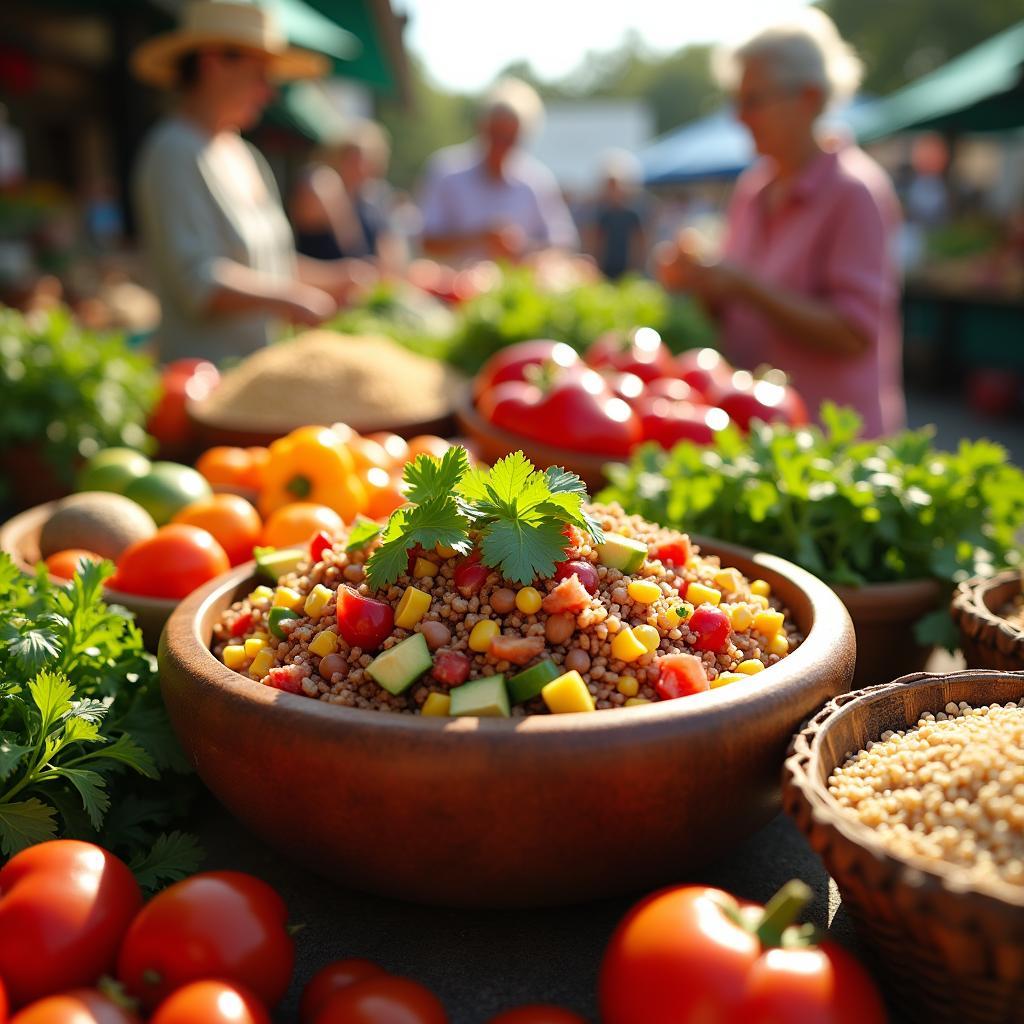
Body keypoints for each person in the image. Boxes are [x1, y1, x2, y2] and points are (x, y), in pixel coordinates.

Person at [656, 10, 904, 437]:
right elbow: (732, 308)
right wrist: (702, 279)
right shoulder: (754, 187)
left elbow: (853, 333)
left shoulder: (855, 192)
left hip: (833, 446)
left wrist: (744, 285)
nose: (740, 117)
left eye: (753, 100)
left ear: (808, 98)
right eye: (737, 101)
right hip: (762, 430)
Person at [131, 1, 361, 363]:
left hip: (255, 375)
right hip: (205, 382)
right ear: (213, 64)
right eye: (260, 76)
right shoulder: (173, 151)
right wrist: (291, 298)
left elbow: (272, 267)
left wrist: (339, 278)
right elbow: (200, 284)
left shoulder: (245, 155)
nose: (268, 93)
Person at [419, 77, 579, 264]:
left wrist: (524, 248)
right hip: (453, 288)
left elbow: (564, 244)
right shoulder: (446, 170)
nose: (501, 145)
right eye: (496, 134)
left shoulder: (538, 181)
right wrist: (479, 238)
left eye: (509, 138)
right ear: (481, 128)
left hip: (518, 288)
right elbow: (426, 241)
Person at [291, 119, 405, 272]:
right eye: (352, 157)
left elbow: (389, 259)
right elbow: (350, 243)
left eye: (368, 159)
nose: (360, 166)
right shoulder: (322, 184)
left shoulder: (372, 205)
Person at [583, 150, 648, 280]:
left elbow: (638, 241)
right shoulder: (602, 213)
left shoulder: (631, 214)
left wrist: (636, 266)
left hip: (626, 268)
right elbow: (596, 240)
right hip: (606, 268)